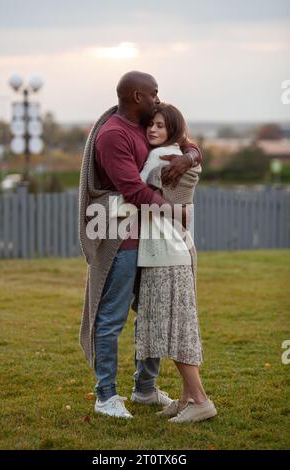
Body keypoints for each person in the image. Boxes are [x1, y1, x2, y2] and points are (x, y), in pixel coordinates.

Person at [78, 71, 202, 419]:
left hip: (150, 240)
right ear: (136, 96)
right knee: (112, 317)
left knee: (152, 314)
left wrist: (187, 157)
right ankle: (105, 396)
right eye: (153, 93)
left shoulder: (148, 125)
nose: (157, 99)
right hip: (123, 240)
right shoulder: (113, 135)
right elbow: (133, 190)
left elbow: (182, 136)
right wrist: (173, 213)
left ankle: (145, 389)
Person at [133, 103, 217, 423]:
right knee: (179, 328)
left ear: (172, 130)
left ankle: (199, 400)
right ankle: (185, 399)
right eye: (150, 125)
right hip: (177, 251)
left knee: (174, 331)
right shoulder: (178, 155)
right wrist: (191, 153)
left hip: (165, 257)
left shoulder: (159, 158)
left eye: (159, 125)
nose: (152, 130)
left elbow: (134, 191)